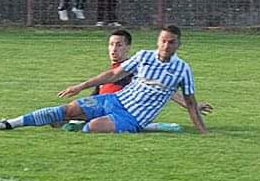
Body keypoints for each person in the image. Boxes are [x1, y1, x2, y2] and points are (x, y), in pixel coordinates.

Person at [0, 26, 209, 134]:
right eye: (163, 41)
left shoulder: (182, 69)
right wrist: (81, 86)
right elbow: (113, 74)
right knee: (67, 109)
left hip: (133, 117)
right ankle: (8, 124)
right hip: (113, 100)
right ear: (157, 41)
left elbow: (186, 100)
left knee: (91, 128)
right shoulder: (143, 57)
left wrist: (203, 131)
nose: (166, 46)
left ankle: (144, 126)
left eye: (171, 42)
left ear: (178, 45)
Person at [60, 29, 213, 132]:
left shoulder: (135, 69)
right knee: (60, 118)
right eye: (111, 45)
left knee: (75, 121)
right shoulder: (111, 71)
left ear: (128, 47)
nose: (114, 49)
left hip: (124, 113)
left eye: (119, 45)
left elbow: (167, 91)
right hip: (105, 107)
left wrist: (192, 106)